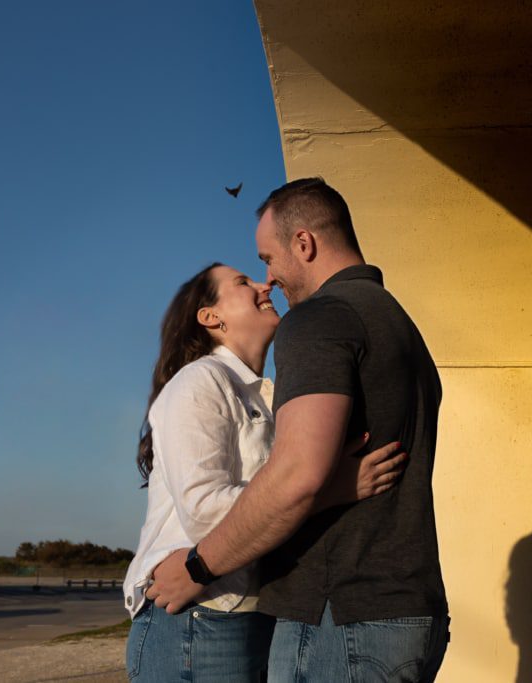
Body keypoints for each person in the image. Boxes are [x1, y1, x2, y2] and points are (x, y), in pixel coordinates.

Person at [147, 178, 450, 682]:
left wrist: (197, 568)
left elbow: (296, 476)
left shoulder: (319, 319)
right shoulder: (400, 327)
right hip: (403, 608)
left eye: (267, 259)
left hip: (343, 616)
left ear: (304, 244)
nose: (269, 279)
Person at [123, 261, 406, 682]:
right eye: (243, 282)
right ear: (210, 317)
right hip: (198, 619)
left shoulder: (270, 396)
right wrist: (330, 489)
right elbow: (204, 513)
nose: (264, 283)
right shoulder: (199, 381)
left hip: (251, 615)